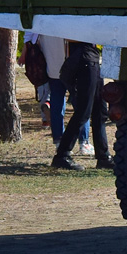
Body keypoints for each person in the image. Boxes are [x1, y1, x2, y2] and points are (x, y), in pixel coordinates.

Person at [51, 40, 112, 170]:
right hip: (84, 58)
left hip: (92, 56)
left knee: (100, 111)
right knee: (84, 111)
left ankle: (103, 156)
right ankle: (62, 155)